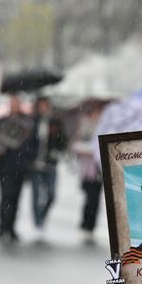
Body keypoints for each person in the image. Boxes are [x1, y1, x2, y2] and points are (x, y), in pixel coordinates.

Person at [0, 96, 35, 243]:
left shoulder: (27, 123)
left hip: (20, 166)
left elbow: (32, 144)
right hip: (5, 165)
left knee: (16, 197)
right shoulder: (1, 121)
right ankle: (2, 227)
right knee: (6, 196)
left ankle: (11, 227)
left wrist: (28, 159)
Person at [27, 96, 68, 242]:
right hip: (35, 165)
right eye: (41, 105)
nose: (44, 108)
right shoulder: (32, 122)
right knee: (37, 194)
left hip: (50, 164)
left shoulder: (55, 122)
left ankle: (43, 216)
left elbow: (63, 140)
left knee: (51, 194)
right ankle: (38, 223)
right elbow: (27, 141)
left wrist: (57, 151)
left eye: (46, 105)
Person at [71, 102, 105, 244]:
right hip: (87, 169)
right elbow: (76, 145)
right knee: (89, 197)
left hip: (98, 170)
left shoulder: (105, 126)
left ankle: (90, 224)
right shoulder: (85, 126)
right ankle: (86, 223)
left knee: (95, 198)